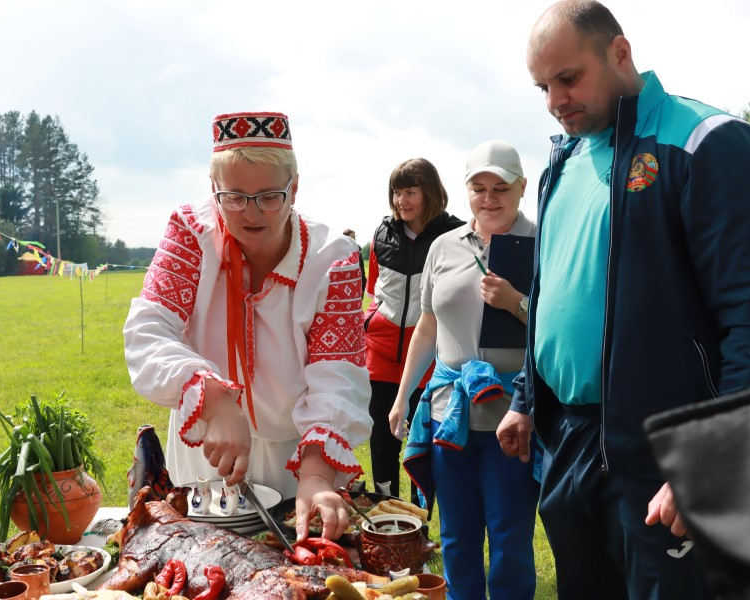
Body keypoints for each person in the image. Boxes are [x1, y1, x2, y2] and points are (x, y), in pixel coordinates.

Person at [496, 2, 750, 598]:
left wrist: (712, 456)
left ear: (620, 52)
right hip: (569, 445)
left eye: (568, 78)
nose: (555, 101)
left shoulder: (709, 143)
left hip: (667, 452)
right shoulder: (562, 164)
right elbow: (555, 294)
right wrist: (527, 397)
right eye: (542, 87)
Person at [124, 111, 373, 541]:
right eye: (234, 197)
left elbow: (337, 376)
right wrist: (215, 402)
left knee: (293, 562)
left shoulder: (331, 258)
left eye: (270, 196)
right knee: (205, 560)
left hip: (299, 453)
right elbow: (148, 332)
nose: (252, 213)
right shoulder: (192, 234)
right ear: (213, 188)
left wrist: (317, 475)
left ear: (295, 187)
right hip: (207, 442)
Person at [390, 142, 539, 599]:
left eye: (501, 188)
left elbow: (563, 328)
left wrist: (516, 303)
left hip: (513, 415)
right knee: (456, 535)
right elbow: (427, 325)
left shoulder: (543, 243)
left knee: (510, 536)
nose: (489, 198)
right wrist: (403, 395)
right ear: (467, 190)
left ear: (522, 187)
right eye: (479, 188)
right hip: (448, 416)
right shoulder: (444, 246)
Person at [364, 158, 463, 501]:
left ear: (429, 193)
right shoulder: (381, 234)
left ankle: (418, 518)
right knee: (382, 441)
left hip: (430, 357)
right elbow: (374, 290)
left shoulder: (454, 235)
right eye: (396, 192)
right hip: (380, 355)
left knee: (425, 444)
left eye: (410, 192)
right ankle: (386, 510)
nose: (401, 201)